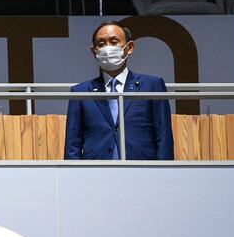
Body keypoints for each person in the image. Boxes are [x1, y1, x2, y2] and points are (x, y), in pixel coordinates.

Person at [64, 21, 174, 160]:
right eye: (101, 44)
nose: (108, 48)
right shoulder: (80, 92)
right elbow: (72, 143)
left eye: (114, 42)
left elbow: (163, 136)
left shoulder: (152, 86)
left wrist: (164, 174)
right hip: (95, 173)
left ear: (130, 47)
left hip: (143, 171)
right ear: (94, 51)